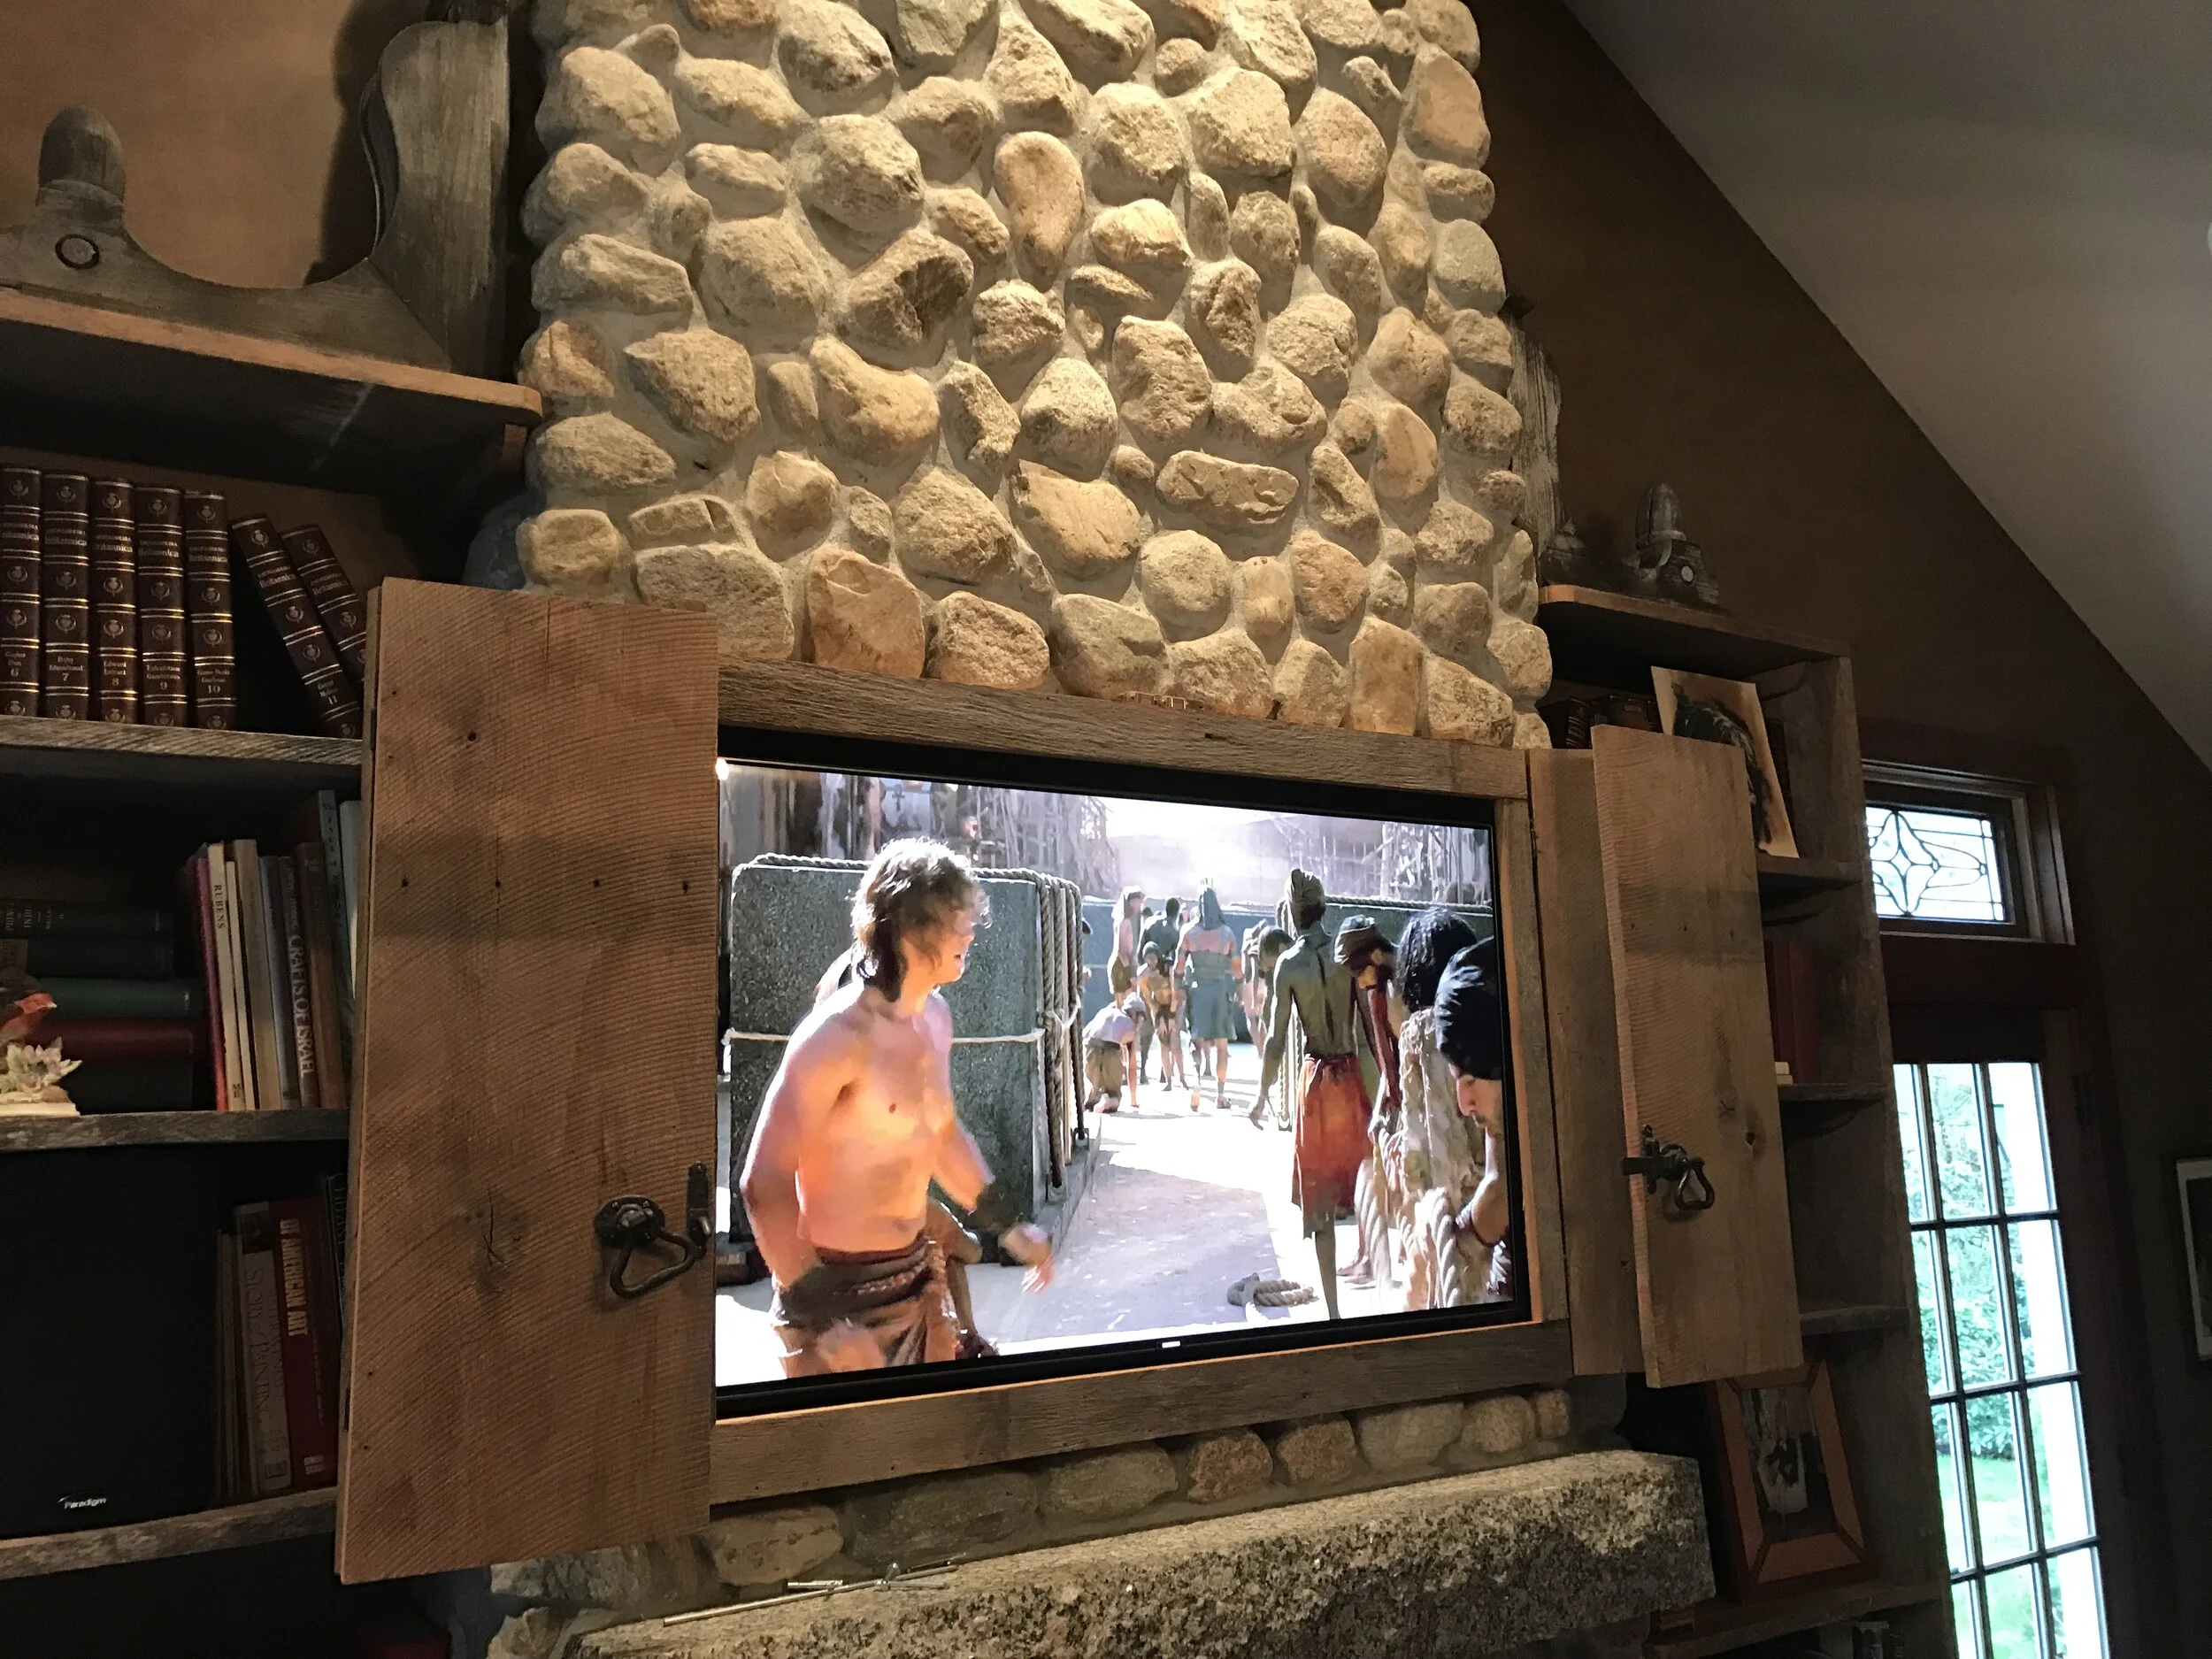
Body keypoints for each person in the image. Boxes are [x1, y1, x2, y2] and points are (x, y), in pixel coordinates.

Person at [741, 839, 1053, 1377]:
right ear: (911, 926)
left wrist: (1007, 1224)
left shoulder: (935, 1019)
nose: (971, 933)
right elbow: (762, 1183)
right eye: (959, 920)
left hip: (913, 1279)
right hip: (832, 1298)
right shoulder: (836, 1037)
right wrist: (826, 1320)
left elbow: (942, 1134)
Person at [1258, 869, 1383, 1319]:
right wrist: (1384, 1094)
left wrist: (1260, 1097)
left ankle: (1333, 1315)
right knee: (1368, 1189)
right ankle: (1383, 1289)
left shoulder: (1288, 965)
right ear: (1325, 907)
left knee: (1323, 1209)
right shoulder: (1346, 954)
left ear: (1293, 913)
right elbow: (1370, 1035)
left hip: (1315, 1090)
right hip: (1351, 1080)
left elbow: (1274, 1042)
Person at [1419, 941, 1512, 1304]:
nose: (1463, 1102)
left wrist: (1459, 1234)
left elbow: (1501, 1192)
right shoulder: (1504, 1107)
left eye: (1471, 1080)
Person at [1332, 918, 1402, 1290]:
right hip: (1395, 1093)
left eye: (1359, 970)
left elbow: (1403, 1055)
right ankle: (1367, 1256)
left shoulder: (1395, 989)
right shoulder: (1376, 989)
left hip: (1418, 1096)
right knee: (1368, 1170)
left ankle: (1378, 1261)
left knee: (1376, 1173)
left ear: (1377, 956)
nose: (1357, 981)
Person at [1176, 886, 1242, 1112]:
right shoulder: (1227, 934)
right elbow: (1237, 970)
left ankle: (1197, 1081)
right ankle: (1221, 1095)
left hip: (1197, 991)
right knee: (1222, 1046)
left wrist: (1178, 990)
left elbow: (1179, 967)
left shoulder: (1189, 933)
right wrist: (1241, 989)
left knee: (1197, 1040)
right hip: (1220, 992)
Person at [1134, 944, 1184, 1094]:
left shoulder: (1167, 968)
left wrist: (1171, 1016)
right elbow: (1149, 999)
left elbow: (1176, 992)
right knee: (1163, 1044)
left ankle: (1182, 1078)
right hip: (1158, 1008)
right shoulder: (1144, 975)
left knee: (1175, 1042)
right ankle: (1168, 1081)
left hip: (1174, 1005)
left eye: (1153, 957)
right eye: (1148, 958)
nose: (1151, 961)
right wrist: (1160, 1018)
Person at [1082, 994, 1142, 1116]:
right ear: (1136, 1015)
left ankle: (1092, 1102)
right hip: (1110, 1050)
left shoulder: (1105, 1011)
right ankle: (1108, 1102)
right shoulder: (1130, 1026)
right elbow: (1131, 1068)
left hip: (1089, 1048)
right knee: (1114, 1095)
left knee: (1094, 1092)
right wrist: (1133, 1101)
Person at [1109, 887, 1144, 1002]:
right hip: (1122, 966)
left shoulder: (1131, 920)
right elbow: (1121, 949)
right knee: (1125, 1004)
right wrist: (1129, 972)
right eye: (1134, 901)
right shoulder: (1124, 922)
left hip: (1125, 965)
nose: (1138, 904)